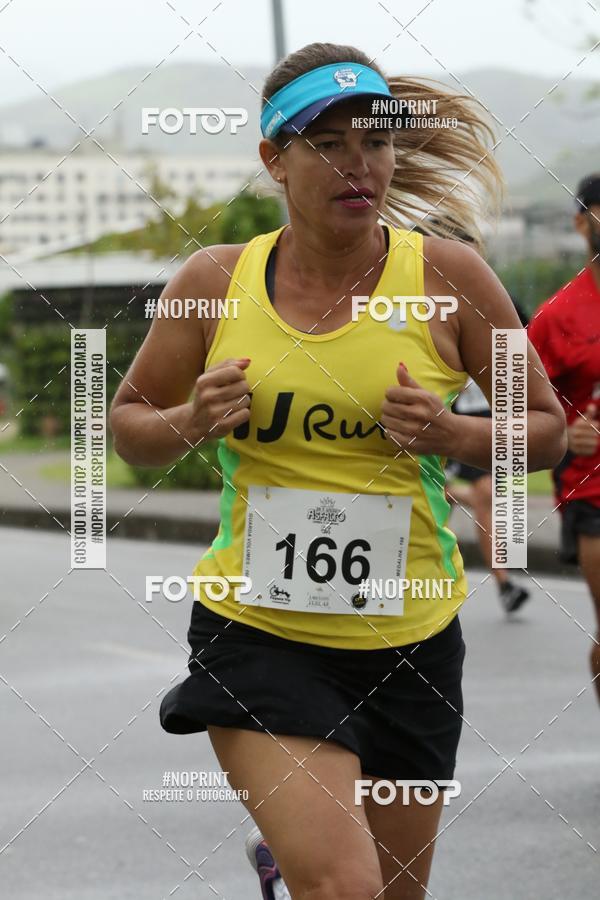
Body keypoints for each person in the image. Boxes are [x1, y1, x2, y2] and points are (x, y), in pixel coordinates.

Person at [110, 43, 567, 900]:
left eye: (377, 142)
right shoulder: (213, 281)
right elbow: (130, 427)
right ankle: (304, 857)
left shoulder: (450, 277)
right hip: (258, 633)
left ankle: (284, 856)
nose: (361, 165)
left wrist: (454, 435)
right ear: (274, 160)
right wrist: (190, 420)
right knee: (346, 889)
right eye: (328, 144)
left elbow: (543, 430)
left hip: (414, 645)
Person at [528, 173, 600, 707]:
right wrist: (563, 432)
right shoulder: (556, 317)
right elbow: (513, 409)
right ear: (582, 222)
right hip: (592, 495)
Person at [445, 297, 531, 614]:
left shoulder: (506, 320)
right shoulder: (453, 318)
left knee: (487, 498)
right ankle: (504, 583)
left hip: (494, 425)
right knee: (485, 497)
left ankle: (504, 583)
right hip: (463, 423)